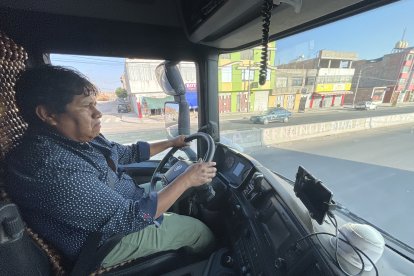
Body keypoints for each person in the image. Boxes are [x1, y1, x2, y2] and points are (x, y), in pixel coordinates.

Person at [5, 65, 216, 268]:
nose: (98, 113)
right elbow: (132, 217)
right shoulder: (50, 166)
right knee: (198, 232)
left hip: (124, 203)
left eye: (95, 104)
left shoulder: (77, 138)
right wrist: (187, 179)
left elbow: (124, 153)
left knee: (175, 188)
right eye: (87, 106)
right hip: (106, 241)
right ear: (48, 114)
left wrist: (171, 143)